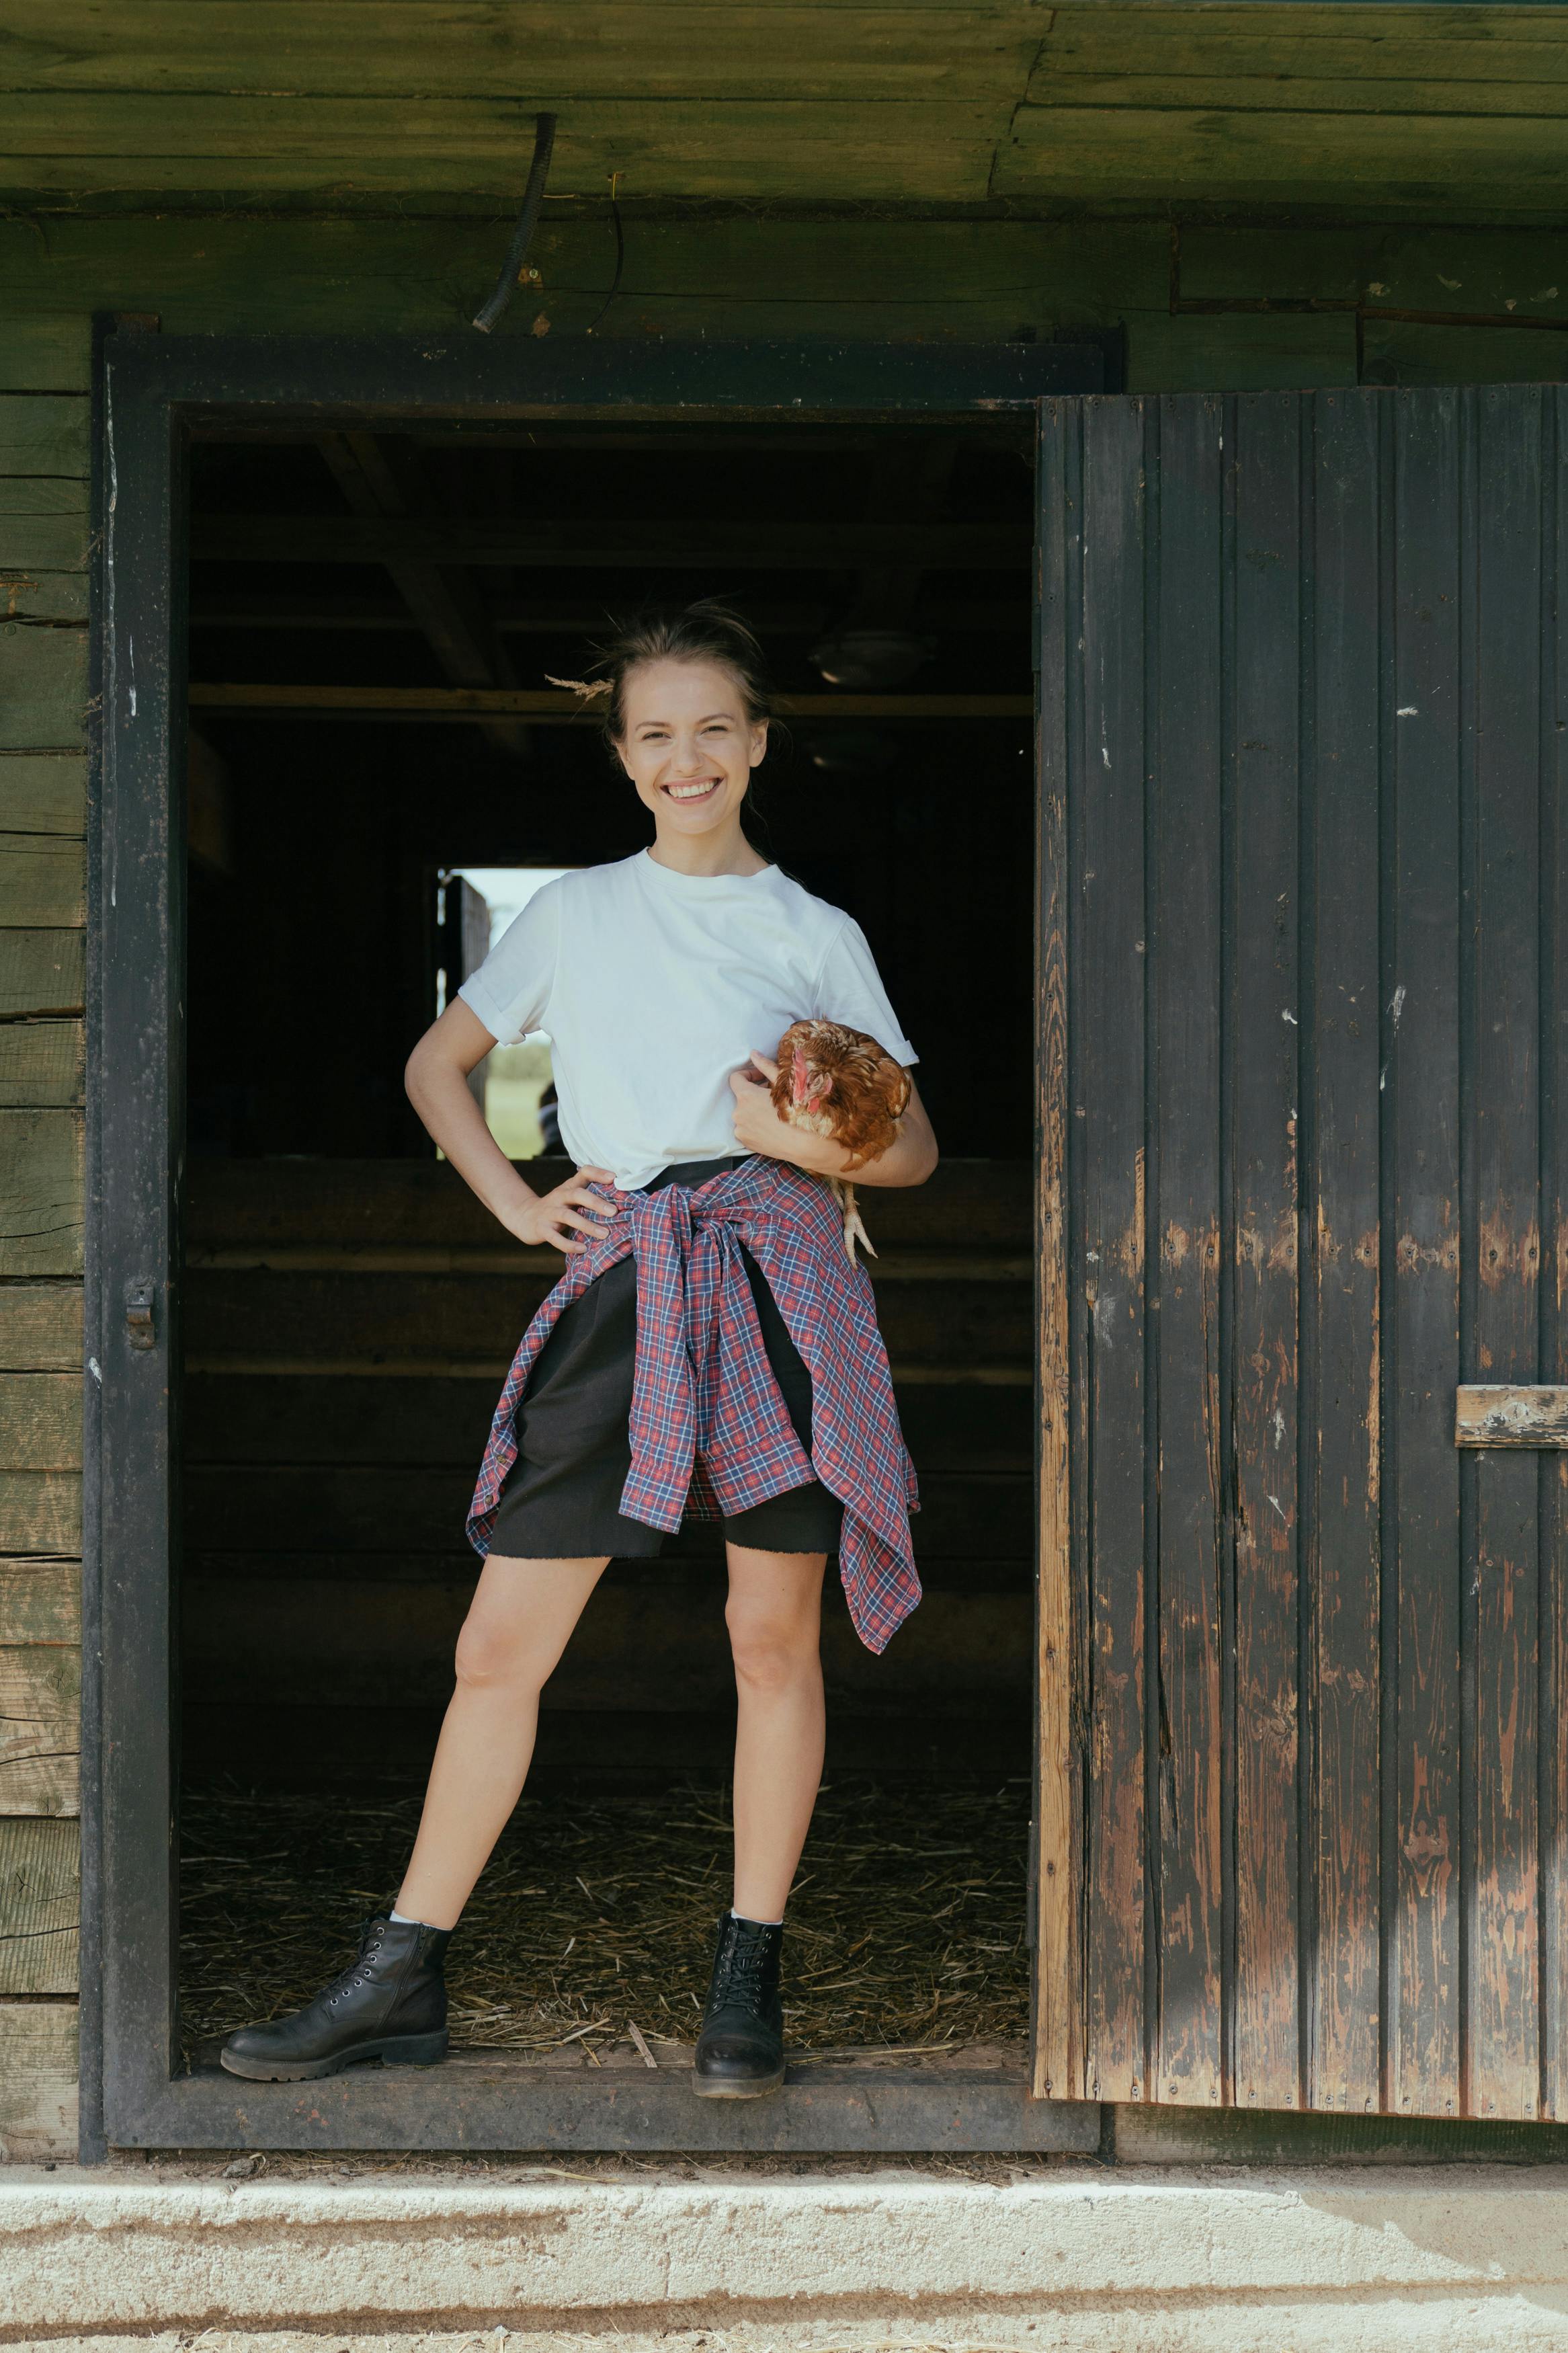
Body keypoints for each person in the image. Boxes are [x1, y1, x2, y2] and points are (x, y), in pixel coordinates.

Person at [220, 600, 938, 2099]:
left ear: (757, 742)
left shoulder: (816, 933)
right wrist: (519, 1206)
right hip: (625, 1280)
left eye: (715, 729)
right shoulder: (578, 915)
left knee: (770, 1638)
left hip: (778, 1272)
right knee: (500, 1644)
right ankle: (403, 1965)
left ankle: (748, 1975)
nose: (689, 758)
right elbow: (439, 1065)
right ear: (624, 757)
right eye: (657, 734)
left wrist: (793, 1136)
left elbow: (915, 1149)